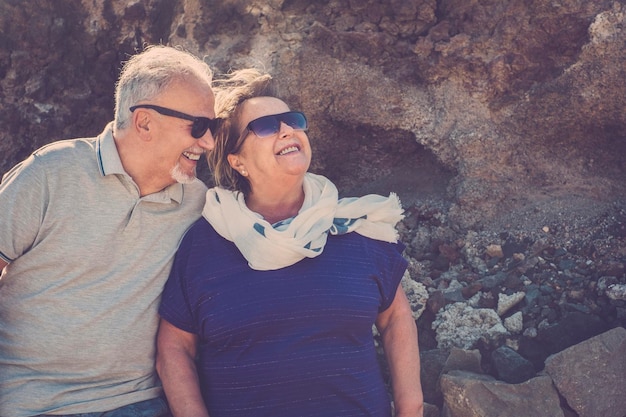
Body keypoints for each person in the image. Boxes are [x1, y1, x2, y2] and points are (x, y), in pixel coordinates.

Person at [156, 69, 424, 417]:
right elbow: (174, 347)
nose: (287, 130)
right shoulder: (208, 241)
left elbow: (396, 319)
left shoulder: (354, 228)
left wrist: (410, 407)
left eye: (292, 120)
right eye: (267, 126)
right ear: (238, 163)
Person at [0, 45, 219, 417]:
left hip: (136, 402)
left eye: (213, 128)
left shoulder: (199, 205)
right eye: (198, 126)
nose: (209, 142)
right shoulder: (50, 173)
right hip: (30, 401)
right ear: (145, 122)